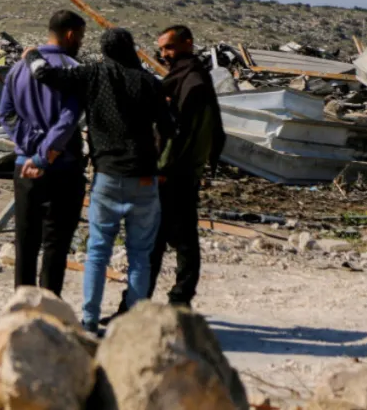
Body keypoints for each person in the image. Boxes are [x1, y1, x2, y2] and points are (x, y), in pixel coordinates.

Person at [23, 28, 173, 334]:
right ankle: (133, 323)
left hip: (107, 176)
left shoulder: (91, 75)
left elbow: (45, 75)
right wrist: (158, 160)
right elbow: (169, 128)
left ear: (104, 51)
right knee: (140, 256)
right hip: (144, 178)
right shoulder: (148, 82)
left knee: (97, 253)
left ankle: (89, 321)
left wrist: (31, 55)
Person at [0, 10, 87, 298]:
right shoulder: (73, 69)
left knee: (25, 243)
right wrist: (45, 152)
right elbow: (68, 118)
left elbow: (6, 114)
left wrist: (31, 144)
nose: (81, 43)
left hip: (24, 169)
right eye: (81, 37)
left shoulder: (17, 69)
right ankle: (48, 309)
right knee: (55, 246)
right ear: (71, 35)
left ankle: (21, 307)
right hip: (62, 169)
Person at [148, 24, 226, 307]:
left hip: (176, 174)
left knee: (176, 239)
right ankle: (163, 298)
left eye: (169, 47)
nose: (164, 54)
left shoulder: (192, 82)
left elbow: (183, 132)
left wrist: (164, 169)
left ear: (188, 44)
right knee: (170, 237)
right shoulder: (185, 77)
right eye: (162, 49)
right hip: (178, 171)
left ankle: (178, 298)